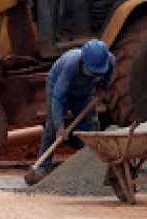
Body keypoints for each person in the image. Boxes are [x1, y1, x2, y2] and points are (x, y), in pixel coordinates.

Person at [25, 39, 115, 186]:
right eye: (92, 70)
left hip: (85, 92)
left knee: (91, 128)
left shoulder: (109, 61)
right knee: (51, 128)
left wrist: (103, 89)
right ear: (84, 60)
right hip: (59, 91)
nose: (94, 73)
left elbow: (107, 78)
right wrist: (60, 126)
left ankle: (91, 168)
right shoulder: (71, 64)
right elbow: (58, 97)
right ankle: (42, 168)